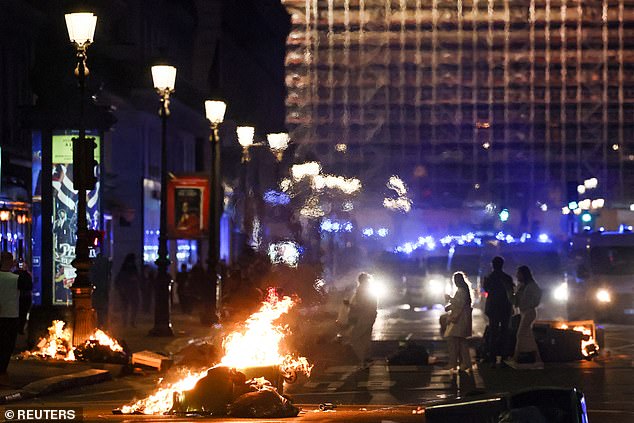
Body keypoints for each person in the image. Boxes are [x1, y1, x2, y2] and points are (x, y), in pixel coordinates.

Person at [0, 252, 31, 385]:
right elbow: (27, 291)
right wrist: (24, 271)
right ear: (11, 263)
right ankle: (2, 372)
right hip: (11, 315)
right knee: (7, 346)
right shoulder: (16, 278)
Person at [483, 256, 515, 366]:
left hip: (493, 308)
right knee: (505, 332)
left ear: (492, 265)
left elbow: (486, 289)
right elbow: (511, 292)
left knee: (493, 331)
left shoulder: (489, 278)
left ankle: (492, 356)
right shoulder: (507, 278)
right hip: (505, 307)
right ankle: (504, 356)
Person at [511, 265, 543, 365]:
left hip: (529, 312)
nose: (517, 276)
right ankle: (537, 357)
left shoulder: (531, 286)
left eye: (518, 274)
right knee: (528, 335)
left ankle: (516, 356)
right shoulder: (521, 286)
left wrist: (529, 304)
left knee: (520, 334)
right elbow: (516, 301)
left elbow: (537, 298)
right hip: (524, 312)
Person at [345, 272, 378, 366]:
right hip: (371, 315)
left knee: (354, 337)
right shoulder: (370, 288)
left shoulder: (361, 289)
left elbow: (361, 305)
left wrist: (349, 305)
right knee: (366, 338)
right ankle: (367, 358)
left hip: (364, 316)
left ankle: (362, 359)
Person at [444, 272, 473, 374]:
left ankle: (456, 363)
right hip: (461, 319)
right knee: (461, 341)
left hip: (459, 320)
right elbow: (459, 303)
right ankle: (463, 363)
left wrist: (449, 299)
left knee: (454, 340)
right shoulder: (464, 291)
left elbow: (459, 304)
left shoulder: (461, 291)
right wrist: (450, 305)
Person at [114, 253, 140, 327]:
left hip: (125, 290)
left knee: (125, 306)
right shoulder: (133, 268)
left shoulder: (124, 268)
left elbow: (118, 280)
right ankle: (131, 322)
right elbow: (137, 278)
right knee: (133, 306)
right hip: (131, 289)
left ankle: (125, 322)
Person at [90, 253, 111, 329]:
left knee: (99, 309)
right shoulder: (104, 270)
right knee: (102, 309)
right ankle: (102, 325)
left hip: (99, 291)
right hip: (102, 291)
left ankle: (100, 325)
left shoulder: (95, 269)